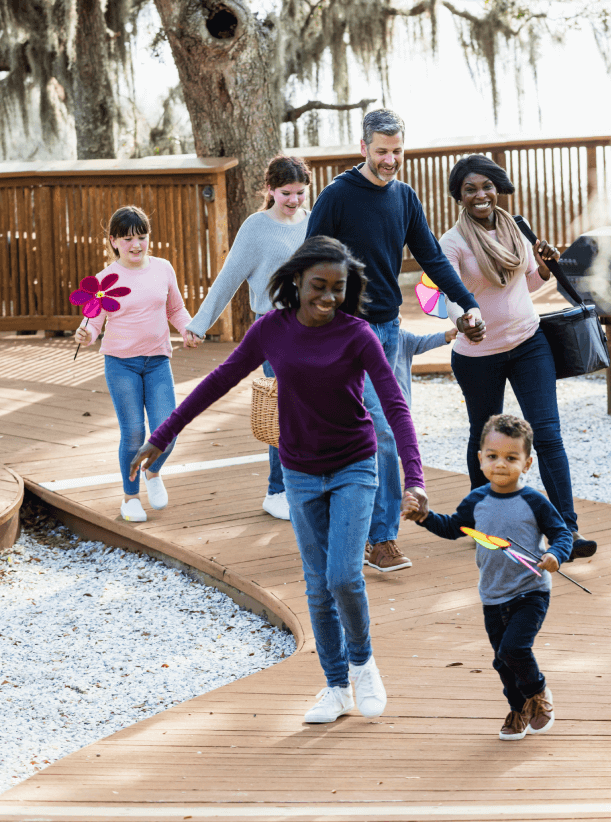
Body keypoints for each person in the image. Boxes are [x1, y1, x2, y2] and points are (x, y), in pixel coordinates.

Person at [129, 235, 429, 725]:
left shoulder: (357, 334)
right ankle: (335, 688)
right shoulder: (272, 329)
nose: (328, 297)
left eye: (338, 288)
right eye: (318, 286)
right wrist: (163, 435)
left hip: (355, 463)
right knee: (316, 585)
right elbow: (219, 379)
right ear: (295, 281)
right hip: (300, 471)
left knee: (344, 577)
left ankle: (363, 665)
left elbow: (394, 405)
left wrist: (413, 477)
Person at [306, 108, 486, 573]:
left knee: (384, 430)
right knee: (376, 431)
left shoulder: (404, 198)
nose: (390, 160)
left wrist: (467, 302)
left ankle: (377, 535)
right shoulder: (337, 197)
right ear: (363, 147)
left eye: (397, 151)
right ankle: (373, 534)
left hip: (387, 331)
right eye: (382, 151)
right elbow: (310, 261)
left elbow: (431, 256)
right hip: (344, 333)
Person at [439, 154, 597, 561]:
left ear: (498, 189)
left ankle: (567, 530)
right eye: (470, 189)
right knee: (483, 436)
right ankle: (481, 522)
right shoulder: (452, 242)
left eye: (487, 186)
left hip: (529, 343)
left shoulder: (516, 229)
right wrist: (464, 321)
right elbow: (449, 293)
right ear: (459, 195)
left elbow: (523, 283)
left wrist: (544, 268)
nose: (481, 195)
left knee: (547, 434)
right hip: (478, 354)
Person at [402, 414, 571, 740]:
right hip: (493, 595)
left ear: (527, 463)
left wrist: (555, 554)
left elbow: (561, 534)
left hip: (531, 590)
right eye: (493, 456)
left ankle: (539, 692)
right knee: (502, 661)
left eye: (511, 458)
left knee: (515, 648)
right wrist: (423, 517)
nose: (501, 464)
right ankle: (518, 708)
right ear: (480, 459)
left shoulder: (534, 501)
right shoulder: (476, 500)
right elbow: (453, 528)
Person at [186, 155, 312, 521]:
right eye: (286, 192)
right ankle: (277, 490)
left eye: (300, 192)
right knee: (283, 408)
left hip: (315, 326)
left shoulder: (311, 221)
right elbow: (229, 278)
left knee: (313, 407)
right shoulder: (256, 228)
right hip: (276, 327)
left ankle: (305, 484)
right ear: (270, 190)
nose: (294, 200)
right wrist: (199, 323)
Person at [74, 205, 197, 523]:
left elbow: (176, 310)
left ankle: (152, 472)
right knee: (132, 433)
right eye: (128, 238)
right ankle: (130, 499)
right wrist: (84, 334)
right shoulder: (104, 279)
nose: (136, 244)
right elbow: (93, 324)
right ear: (114, 240)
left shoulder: (163, 268)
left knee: (166, 432)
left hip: (158, 361)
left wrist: (187, 329)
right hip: (121, 365)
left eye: (141, 237)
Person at [393, 314, 457, 408]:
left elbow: (424, 341)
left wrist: (446, 335)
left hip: (401, 400)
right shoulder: (372, 339)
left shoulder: (403, 337)